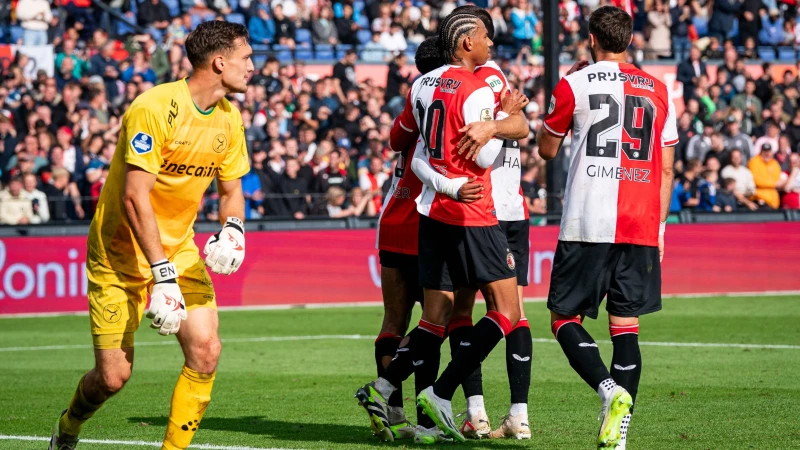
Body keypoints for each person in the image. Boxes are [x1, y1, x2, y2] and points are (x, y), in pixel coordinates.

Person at [49, 21, 253, 450]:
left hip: (179, 251)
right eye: (246, 58)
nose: (253, 67)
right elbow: (133, 199)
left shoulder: (230, 118)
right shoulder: (155, 107)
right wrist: (161, 276)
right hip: (119, 257)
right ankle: (69, 426)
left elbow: (232, 190)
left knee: (207, 350)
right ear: (219, 62)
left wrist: (233, 229)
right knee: (113, 377)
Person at [357, 12, 524, 444]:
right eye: (485, 37)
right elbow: (487, 160)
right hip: (473, 216)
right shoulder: (475, 89)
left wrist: (445, 182)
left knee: (433, 320)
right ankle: (442, 395)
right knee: (507, 312)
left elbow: (409, 153)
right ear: (466, 42)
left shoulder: (420, 88)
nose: (491, 44)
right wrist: (500, 121)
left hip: (427, 214)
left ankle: (383, 389)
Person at [536, 7, 679, 449]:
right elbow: (668, 168)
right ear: (631, 40)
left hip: (588, 218)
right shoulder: (658, 89)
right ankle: (618, 438)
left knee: (563, 317)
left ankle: (606, 389)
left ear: (592, 39)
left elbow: (546, 149)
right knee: (626, 326)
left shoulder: (574, 83)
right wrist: (660, 229)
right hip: (641, 222)